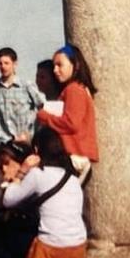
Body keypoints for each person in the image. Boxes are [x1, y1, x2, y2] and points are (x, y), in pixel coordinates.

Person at [0, 127, 99, 258]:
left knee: (11, 239)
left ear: (36, 151)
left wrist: (22, 171)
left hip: (54, 252)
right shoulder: (71, 177)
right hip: (78, 248)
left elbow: (8, 199)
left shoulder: (38, 175)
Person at [34, 44, 98, 178]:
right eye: (54, 66)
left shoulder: (74, 90)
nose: (55, 70)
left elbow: (71, 123)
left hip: (73, 154)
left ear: (75, 65)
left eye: (60, 65)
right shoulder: (77, 88)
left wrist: (44, 116)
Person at [0, 47, 43, 143]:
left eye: (6, 63)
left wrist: (33, 132)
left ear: (15, 64)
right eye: (0, 63)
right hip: (3, 142)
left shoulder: (26, 85)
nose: (3, 67)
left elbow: (43, 108)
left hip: (25, 142)